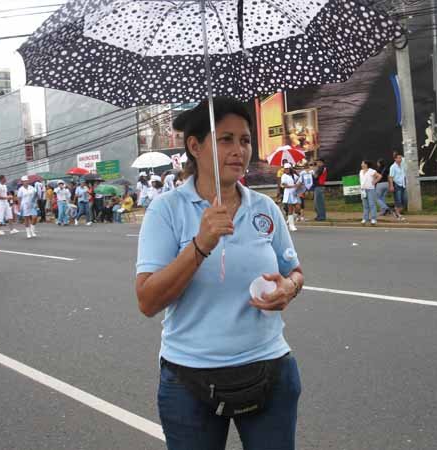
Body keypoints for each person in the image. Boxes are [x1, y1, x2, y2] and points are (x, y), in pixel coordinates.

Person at [136, 97, 304, 450]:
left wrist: (288, 288)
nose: (239, 150)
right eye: (226, 139)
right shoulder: (167, 210)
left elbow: (294, 272)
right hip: (189, 380)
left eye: (245, 140)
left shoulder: (265, 207)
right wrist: (201, 243)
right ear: (195, 146)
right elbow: (148, 301)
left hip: (270, 368)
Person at [359, 160, 382, 225]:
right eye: (362, 163)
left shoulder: (371, 171)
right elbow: (361, 180)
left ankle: (373, 219)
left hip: (370, 189)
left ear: (366, 164)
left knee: (372, 204)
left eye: (362, 163)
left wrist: (374, 181)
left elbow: (379, 176)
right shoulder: (361, 171)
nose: (361, 164)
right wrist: (361, 187)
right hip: (363, 190)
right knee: (365, 205)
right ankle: (365, 218)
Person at [281, 163, 301, 231]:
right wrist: (294, 186)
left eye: (288, 168)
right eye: (285, 169)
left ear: (290, 169)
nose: (286, 170)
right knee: (290, 209)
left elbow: (300, 179)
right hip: (288, 194)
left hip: (295, 193)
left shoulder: (294, 175)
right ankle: (291, 225)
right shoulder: (284, 176)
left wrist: (297, 173)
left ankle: (290, 220)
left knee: (298, 208)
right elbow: (284, 185)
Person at [389, 153, 407, 221]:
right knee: (398, 200)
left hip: (403, 184)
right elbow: (391, 177)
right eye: (398, 158)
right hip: (396, 185)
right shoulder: (393, 167)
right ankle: (398, 215)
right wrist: (391, 186)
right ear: (395, 159)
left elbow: (406, 159)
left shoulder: (402, 164)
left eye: (400, 158)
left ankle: (395, 211)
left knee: (404, 200)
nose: (400, 159)